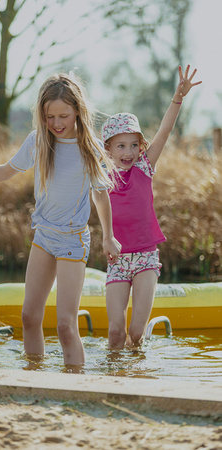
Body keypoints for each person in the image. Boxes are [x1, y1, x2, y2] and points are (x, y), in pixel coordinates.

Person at [0, 73, 121, 366]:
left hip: (73, 240)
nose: (57, 123)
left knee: (65, 326)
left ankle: (75, 385)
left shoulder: (90, 148)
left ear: (78, 112)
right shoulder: (39, 142)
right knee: (29, 316)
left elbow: (100, 195)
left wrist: (108, 236)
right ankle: (33, 376)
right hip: (44, 236)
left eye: (63, 116)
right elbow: (6, 170)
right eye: (49, 116)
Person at [101, 65, 202, 350]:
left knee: (135, 332)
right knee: (115, 333)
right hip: (117, 260)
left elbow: (165, 130)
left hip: (145, 256)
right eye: (121, 146)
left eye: (134, 145)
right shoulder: (101, 176)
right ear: (108, 149)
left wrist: (177, 98)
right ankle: (113, 376)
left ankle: (138, 372)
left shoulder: (145, 166)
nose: (129, 152)